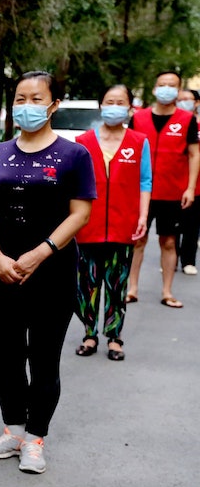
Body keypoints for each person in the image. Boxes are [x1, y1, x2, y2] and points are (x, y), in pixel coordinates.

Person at [0, 71, 95, 475]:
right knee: (8, 357)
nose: (27, 106)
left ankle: (36, 438)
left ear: (53, 105)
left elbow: (81, 212)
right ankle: (13, 430)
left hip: (52, 274)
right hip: (1, 273)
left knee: (44, 358)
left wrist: (41, 252)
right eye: (20, 98)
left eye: (36, 99)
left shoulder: (74, 156)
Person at [73, 85, 152, 361]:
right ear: (100, 105)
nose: (114, 106)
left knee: (117, 284)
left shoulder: (139, 141)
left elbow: (145, 181)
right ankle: (89, 333)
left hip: (124, 224)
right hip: (88, 226)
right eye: (109, 101)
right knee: (88, 284)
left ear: (130, 107)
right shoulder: (83, 142)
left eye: (120, 102)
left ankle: (114, 336)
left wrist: (142, 215)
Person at [127, 70, 199, 307]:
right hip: (141, 192)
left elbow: (193, 154)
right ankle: (132, 288)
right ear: (155, 88)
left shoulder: (187, 120)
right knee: (138, 239)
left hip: (172, 192)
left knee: (169, 242)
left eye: (172, 85)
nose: (166, 88)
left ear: (178, 91)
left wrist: (190, 188)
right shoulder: (139, 118)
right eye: (162, 84)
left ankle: (167, 291)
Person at [174, 88, 200, 275]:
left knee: (192, 224)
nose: (184, 102)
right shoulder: (174, 124)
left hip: (196, 184)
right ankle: (171, 259)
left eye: (188, 99)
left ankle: (188, 260)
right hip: (176, 181)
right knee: (173, 225)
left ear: (196, 103)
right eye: (180, 99)